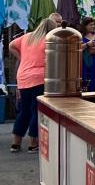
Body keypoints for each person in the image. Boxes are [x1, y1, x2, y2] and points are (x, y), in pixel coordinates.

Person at [9, 16, 60, 153]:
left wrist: (22, 58)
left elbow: (11, 45)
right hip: (40, 78)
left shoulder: (27, 37)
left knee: (23, 111)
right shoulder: (50, 40)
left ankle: (15, 143)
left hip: (23, 77)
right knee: (36, 111)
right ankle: (33, 143)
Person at [80, 17, 95, 96]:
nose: (93, 26)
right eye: (90, 25)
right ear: (85, 26)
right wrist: (87, 45)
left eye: (93, 24)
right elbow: (78, 48)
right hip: (86, 63)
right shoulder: (81, 37)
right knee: (87, 81)